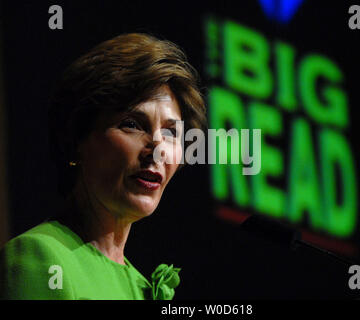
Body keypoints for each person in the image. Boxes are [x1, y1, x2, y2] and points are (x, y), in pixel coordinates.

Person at [0, 33, 206, 300]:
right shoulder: (39, 259)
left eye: (171, 133)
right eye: (132, 124)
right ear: (76, 138)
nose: (158, 149)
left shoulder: (141, 286)